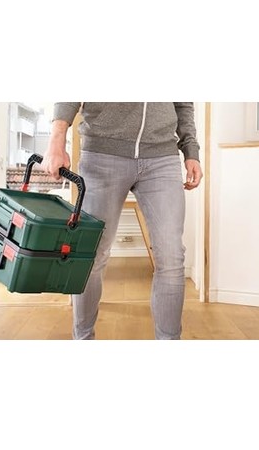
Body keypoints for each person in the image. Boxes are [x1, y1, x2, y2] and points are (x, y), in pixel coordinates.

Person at [42, 102, 203, 340]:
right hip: (102, 153)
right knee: (91, 255)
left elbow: (182, 103)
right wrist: (57, 140)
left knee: (172, 257)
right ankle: (83, 339)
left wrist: (191, 150)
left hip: (162, 157)